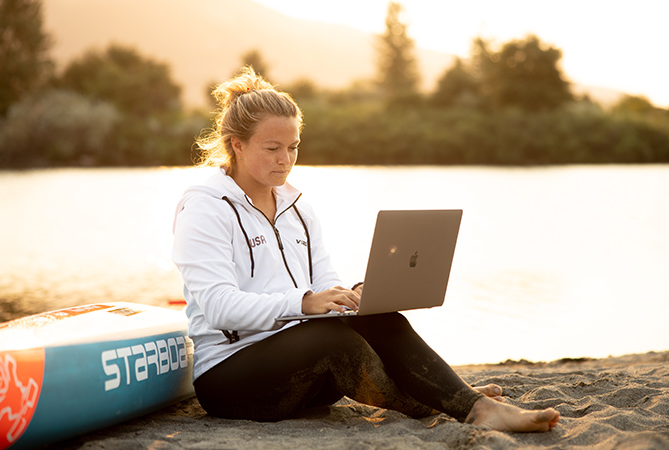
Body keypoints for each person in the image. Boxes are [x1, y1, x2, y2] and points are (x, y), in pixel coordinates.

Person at [171, 67, 560, 432]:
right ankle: (450, 402)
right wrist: (305, 303)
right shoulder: (205, 206)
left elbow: (323, 281)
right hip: (231, 380)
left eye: (293, 147)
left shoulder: (298, 207)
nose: (285, 159)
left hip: (303, 368)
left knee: (375, 315)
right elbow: (219, 306)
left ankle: (460, 400)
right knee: (332, 340)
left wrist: (347, 297)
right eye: (272, 148)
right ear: (237, 145)